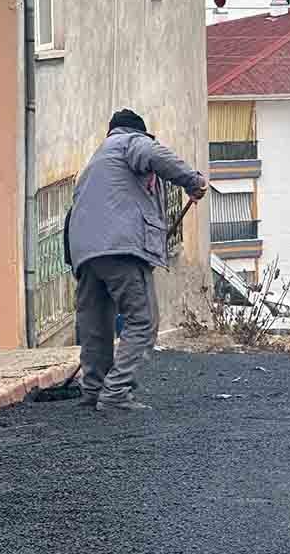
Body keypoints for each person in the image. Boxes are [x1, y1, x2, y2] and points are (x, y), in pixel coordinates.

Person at [65, 108, 207, 412]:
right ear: (138, 132)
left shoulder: (95, 162)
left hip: (85, 253)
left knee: (96, 325)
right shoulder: (131, 142)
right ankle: (116, 394)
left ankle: (94, 389)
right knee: (142, 320)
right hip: (121, 249)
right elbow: (155, 155)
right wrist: (192, 181)